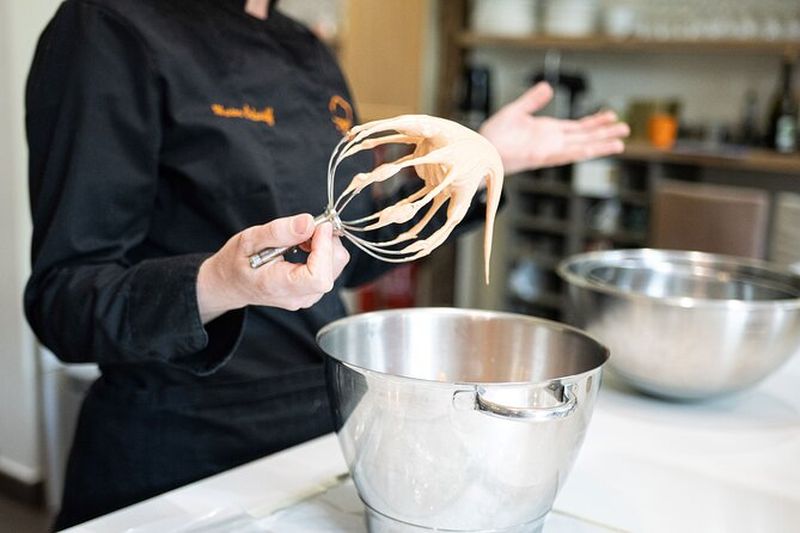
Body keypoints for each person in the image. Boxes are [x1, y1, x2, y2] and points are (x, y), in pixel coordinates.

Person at [23, 0, 629, 529]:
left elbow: (349, 250)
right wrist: (222, 281)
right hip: (179, 450)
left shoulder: (307, 50)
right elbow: (65, 299)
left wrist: (474, 166)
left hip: (325, 437)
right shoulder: (107, 26)